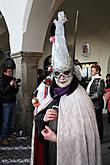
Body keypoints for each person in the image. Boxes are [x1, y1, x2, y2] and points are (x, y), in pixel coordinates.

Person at [33, 11, 102, 165]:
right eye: (57, 73)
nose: (62, 77)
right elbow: (38, 117)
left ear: (72, 72)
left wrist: (57, 139)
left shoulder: (80, 97)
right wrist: (42, 118)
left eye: (66, 72)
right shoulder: (52, 93)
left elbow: (85, 139)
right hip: (50, 153)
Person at [0, 67, 19, 145]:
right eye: (9, 72)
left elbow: (15, 91)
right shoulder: (1, 80)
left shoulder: (11, 79)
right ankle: (3, 137)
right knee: (6, 121)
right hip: (6, 103)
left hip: (12, 102)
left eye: (11, 72)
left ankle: (8, 136)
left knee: (11, 120)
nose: (11, 73)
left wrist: (15, 87)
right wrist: (10, 85)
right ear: (5, 72)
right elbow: (2, 92)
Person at [86, 64, 105, 143]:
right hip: (91, 104)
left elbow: (99, 94)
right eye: (91, 70)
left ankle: (100, 138)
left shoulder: (101, 80)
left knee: (98, 122)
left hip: (97, 104)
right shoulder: (92, 80)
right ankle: (94, 137)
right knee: (92, 122)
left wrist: (87, 98)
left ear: (98, 71)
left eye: (93, 70)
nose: (91, 72)